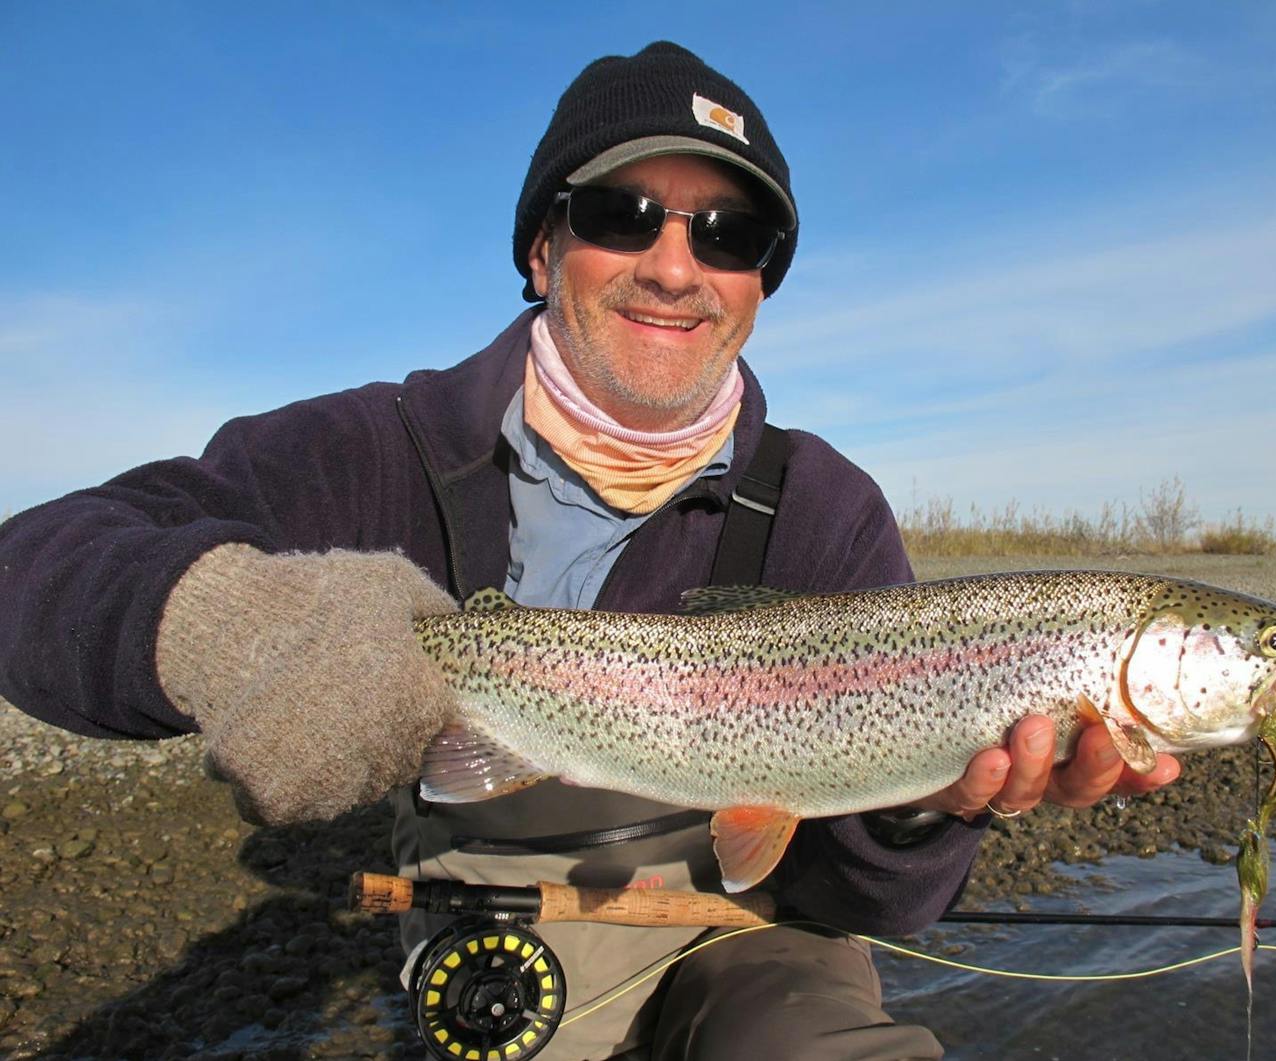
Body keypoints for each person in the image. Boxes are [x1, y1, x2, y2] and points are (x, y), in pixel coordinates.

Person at [0, 42, 1178, 1060]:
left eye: (730, 232)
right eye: (623, 215)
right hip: (496, 933)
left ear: (759, 282)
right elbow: (34, 563)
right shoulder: (370, 452)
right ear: (538, 248)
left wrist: (923, 807)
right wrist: (217, 622)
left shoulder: (827, 509)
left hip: (751, 935)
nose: (676, 265)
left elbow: (857, 901)